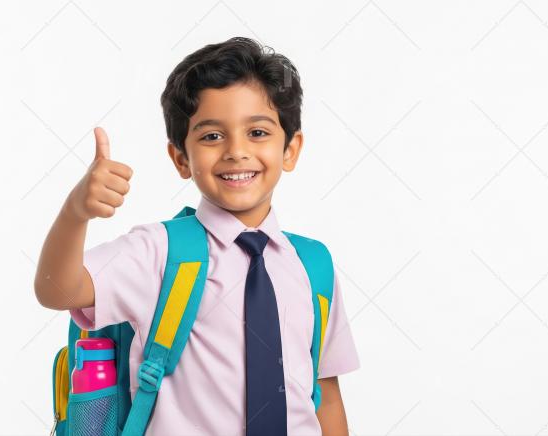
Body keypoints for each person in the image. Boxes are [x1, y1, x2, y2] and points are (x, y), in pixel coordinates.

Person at [35, 36, 360, 435]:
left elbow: (324, 392)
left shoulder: (313, 265)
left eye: (257, 133)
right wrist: (75, 213)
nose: (236, 152)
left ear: (290, 149)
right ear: (181, 159)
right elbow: (57, 291)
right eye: (211, 136)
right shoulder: (158, 251)